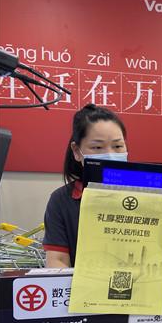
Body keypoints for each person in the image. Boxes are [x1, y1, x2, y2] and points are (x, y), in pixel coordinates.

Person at [43, 104, 128, 267]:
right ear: (76, 151)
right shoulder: (61, 200)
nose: (110, 155)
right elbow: (57, 260)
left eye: (118, 146)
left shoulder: (148, 194)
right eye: (97, 147)